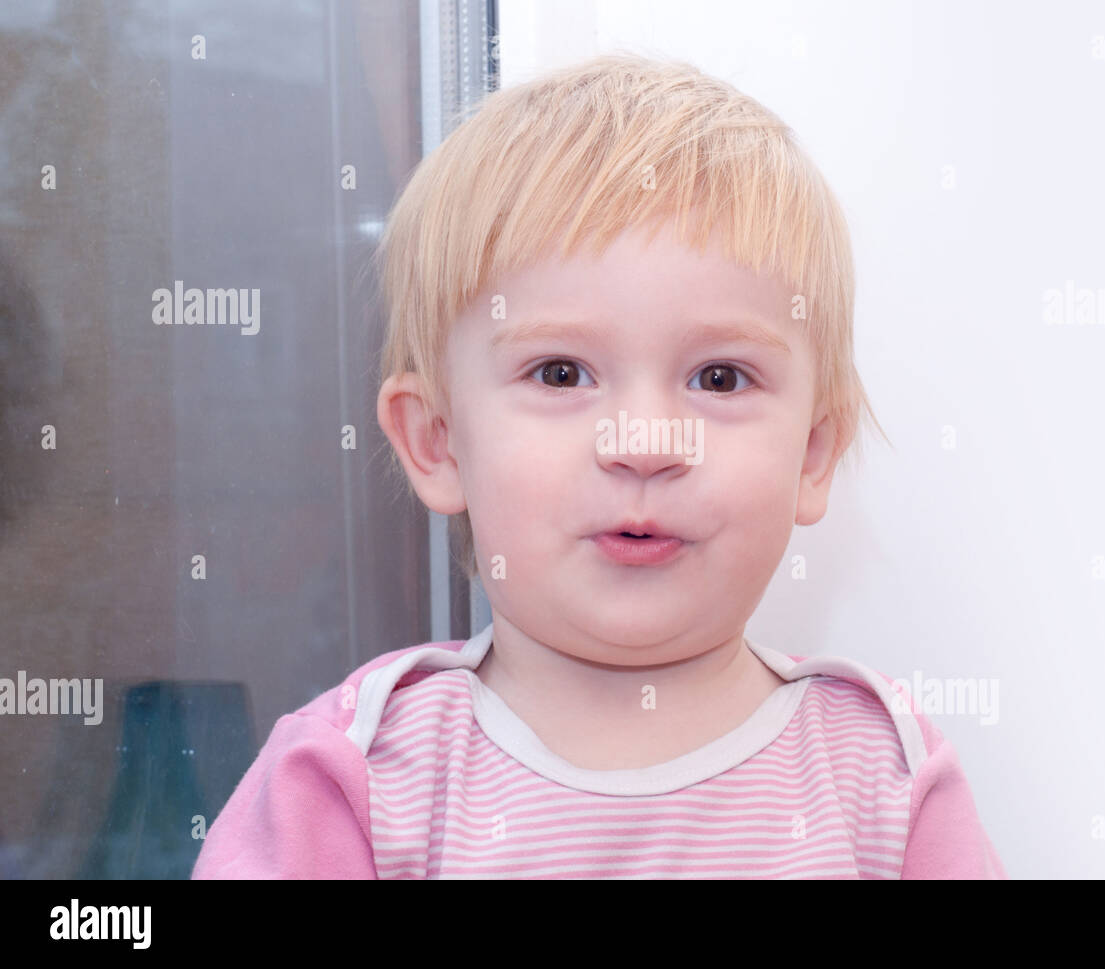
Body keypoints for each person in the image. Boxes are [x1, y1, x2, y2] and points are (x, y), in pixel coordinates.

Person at [192, 52, 1005, 879]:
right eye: (560, 373)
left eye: (719, 378)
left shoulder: (886, 779)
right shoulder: (353, 777)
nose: (647, 442)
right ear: (437, 440)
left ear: (813, 454)